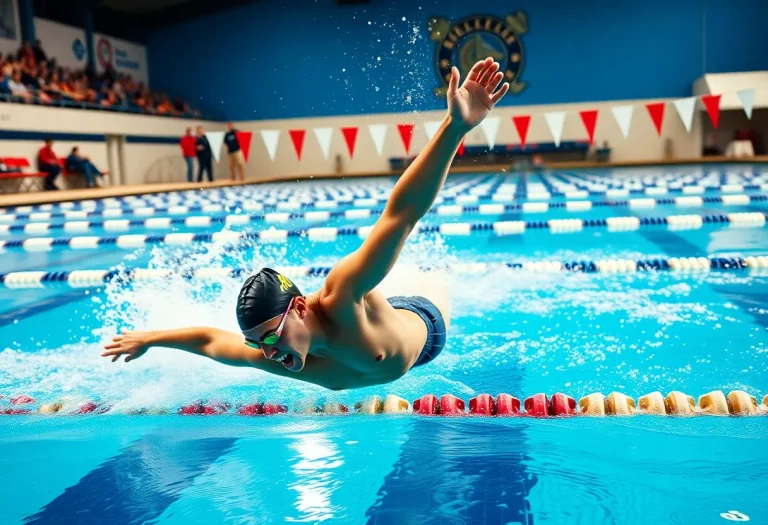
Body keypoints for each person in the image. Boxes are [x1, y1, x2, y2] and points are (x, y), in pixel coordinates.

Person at [102, 58, 509, 391]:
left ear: (298, 309)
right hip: (388, 336)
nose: (267, 353)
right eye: (258, 343)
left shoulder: (342, 292)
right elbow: (211, 341)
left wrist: (454, 127)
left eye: (270, 338)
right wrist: (151, 338)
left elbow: (401, 214)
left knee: (432, 277)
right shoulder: (276, 354)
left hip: (424, 322)